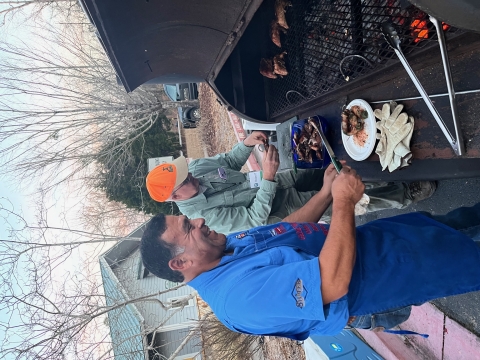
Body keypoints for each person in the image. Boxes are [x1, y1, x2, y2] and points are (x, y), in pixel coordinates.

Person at [140, 163, 480, 340]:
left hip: (370, 241)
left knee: (453, 223)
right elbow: (332, 283)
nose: (198, 221)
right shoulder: (238, 300)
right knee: (464, 258)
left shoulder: (223, 249)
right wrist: (345, 201)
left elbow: (283, 230)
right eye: (187, 228)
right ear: (181, 261)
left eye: (189, 219)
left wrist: (326, 193)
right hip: (380, 277)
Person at [145, 131, 436, 234]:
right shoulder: (203, 217)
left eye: (186, 170)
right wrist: (268, 178)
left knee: (332, 170)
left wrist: (246, 143)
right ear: (174, 197)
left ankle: (388, 170)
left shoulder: (195, 168)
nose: (191, 174)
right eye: (185, 180)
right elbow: (255, 220)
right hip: (282, 210)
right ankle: (406, 192)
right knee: (343, 199)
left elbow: (229, 161)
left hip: (282, 180)